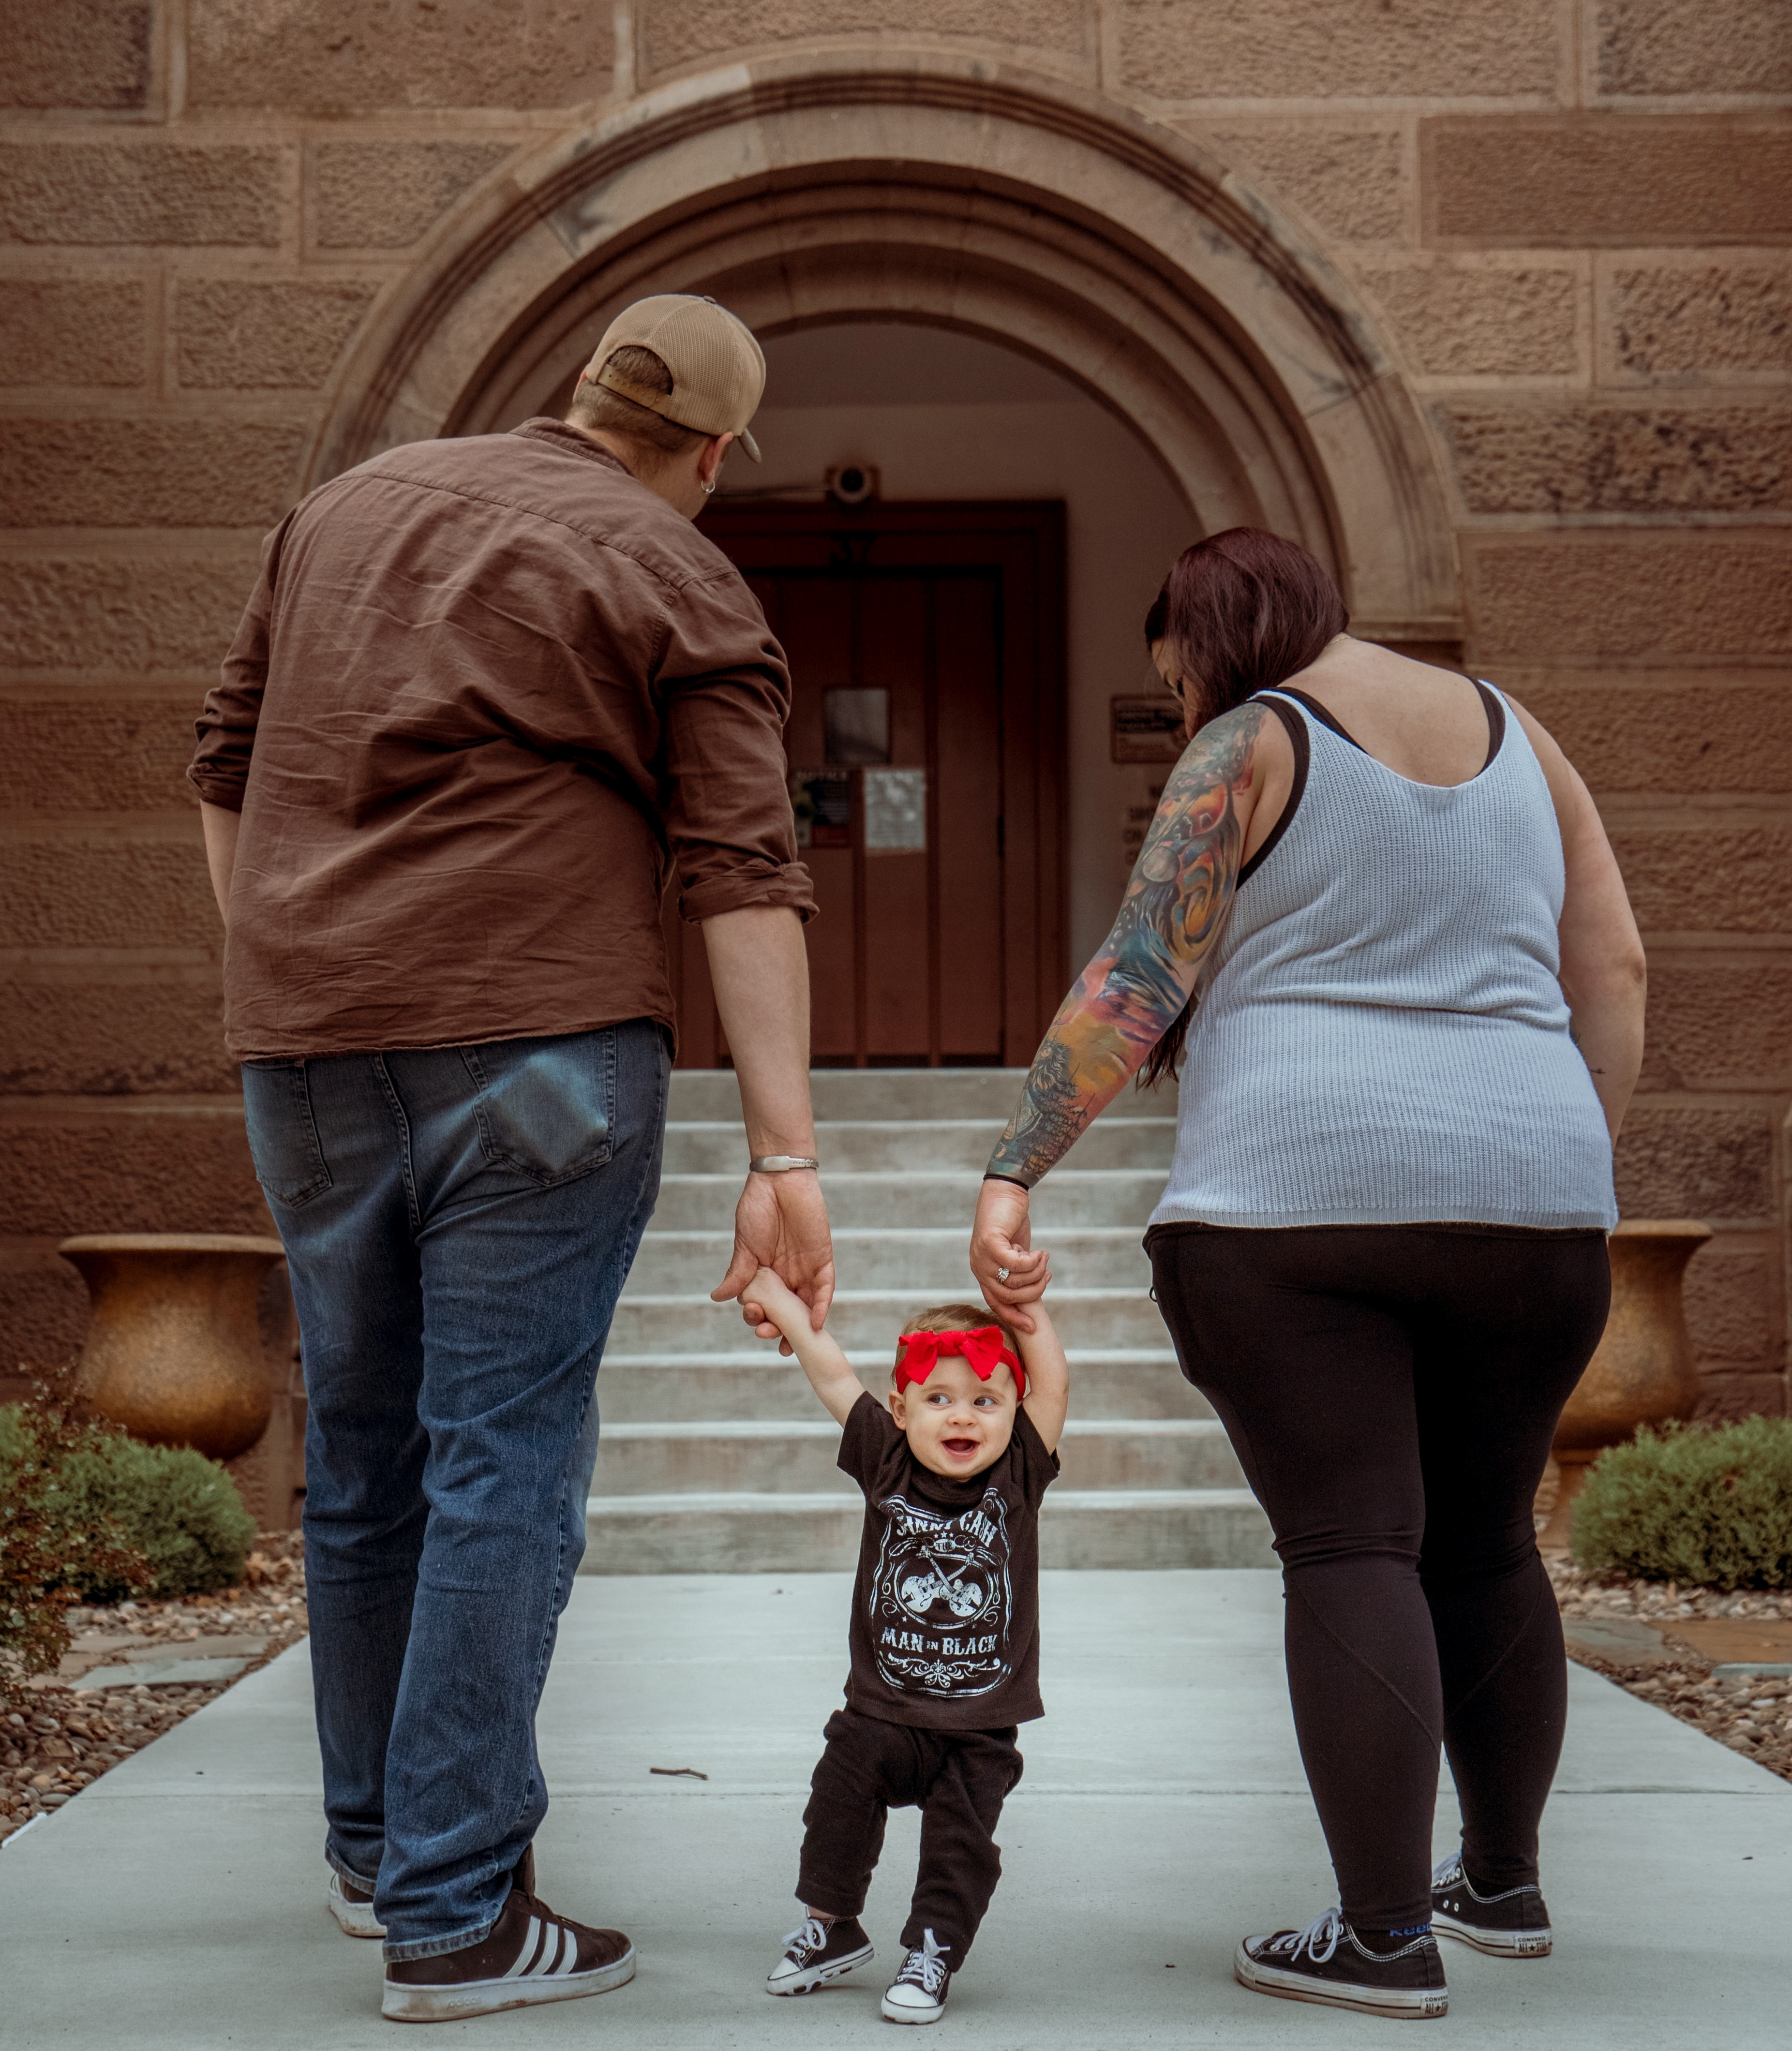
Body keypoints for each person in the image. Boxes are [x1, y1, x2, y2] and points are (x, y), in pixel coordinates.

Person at [187, 294, 836, 2023]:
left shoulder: (343, 511)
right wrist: (787, 1149)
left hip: (309, 1046)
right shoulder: (676, 565)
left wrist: (282, 966)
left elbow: (225, 763)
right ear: (710, 451)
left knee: (364, 1454)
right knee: (503, 1463)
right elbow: (742, 868)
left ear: (576, 397)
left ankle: (378, 1850)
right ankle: (459, 1917)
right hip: (540, 1045)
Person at [968, 528, 1645, 2021]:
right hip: (1535, 1210)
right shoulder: (1529, 737)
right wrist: (1553, 1153)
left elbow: (1140, 974)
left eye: (1178, 673)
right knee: (1487, 1541)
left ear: (1213, 637)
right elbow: (1618, 971)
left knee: (1354, 1545)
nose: (1182, 696)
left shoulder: (1248, 741)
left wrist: (1017, 1164)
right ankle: (1506, 1884)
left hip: (1295, 1208)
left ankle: (1384, 1934)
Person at [743, 1272, 1068, 2025]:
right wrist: (780, 1296)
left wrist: (1024, 1306)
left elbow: (1052, 1377)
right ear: (901, 1410)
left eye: (985, 1400)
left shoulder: (1019, 1472)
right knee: (836, 1802)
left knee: (960, 1850)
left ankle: (933, 1952)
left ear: (1015, 1412)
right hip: (881, 1711)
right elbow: (829, 1367)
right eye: (939, 1398)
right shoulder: (884, 1460)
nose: (963, 1416)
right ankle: (830, 1926)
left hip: (981, 1725)